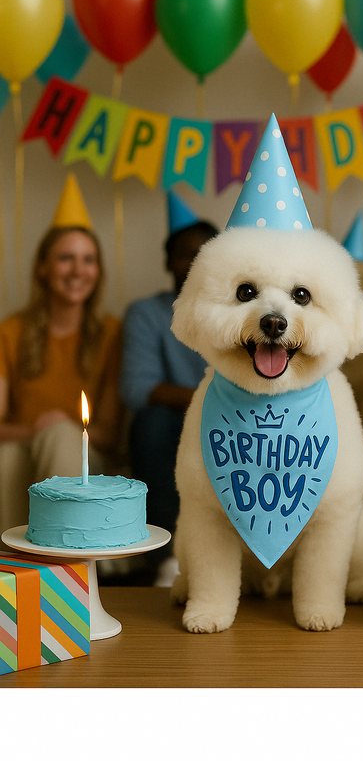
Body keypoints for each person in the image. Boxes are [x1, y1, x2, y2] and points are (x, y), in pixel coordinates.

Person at [0, 174, 122, 549]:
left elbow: (107, 434)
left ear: (98, 271)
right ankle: (13, 569)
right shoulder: (11, 331)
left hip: (85, 456)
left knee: (62, 436)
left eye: (87, 260)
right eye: (65, 258)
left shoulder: (111, 333)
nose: (77, 270)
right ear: (43, 267)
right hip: (21, 445)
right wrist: (42, 429)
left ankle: (65, 562)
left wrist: (62, 428)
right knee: (6, 459)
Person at [120, 191, 218, 585]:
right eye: (184, 253)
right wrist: (207, 399)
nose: (195, 261)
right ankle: (167, 555)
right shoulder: (147, 313)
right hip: (175, 426)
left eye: (206, 252)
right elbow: (136, 388)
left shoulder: (242, 311)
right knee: (153, 421)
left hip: (232, 420)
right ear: (167, 262)